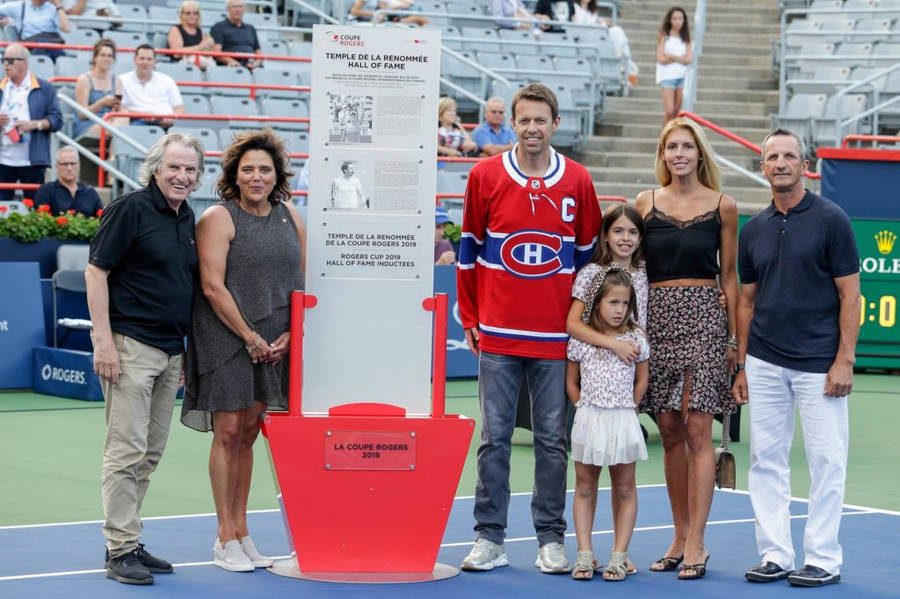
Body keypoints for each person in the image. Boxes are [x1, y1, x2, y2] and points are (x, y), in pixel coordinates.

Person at [457, 82, 601, 573]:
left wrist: (580, 327)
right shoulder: (484, 175)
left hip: (555, 339)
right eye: (524, 120)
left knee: (552, 441)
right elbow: (469, 253)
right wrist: (471, 316)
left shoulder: (578, 179)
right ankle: (489, 538)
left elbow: (589, 264)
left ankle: (550, 539)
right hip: (499, 334)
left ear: (555, 124)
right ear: (511, 124)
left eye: (541, 120)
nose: (532, 128)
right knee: (494, 438)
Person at [734, 129, 860, 588]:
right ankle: (775, 554)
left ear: (805, 165)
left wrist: (844, 359)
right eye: (773, 157)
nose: (781, 163)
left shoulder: (832, 220)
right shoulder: (753, 230)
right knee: (765, 459)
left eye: (790, 156)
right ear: (762, 167)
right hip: (765, 360)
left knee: (827, 460)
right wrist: (742, 365)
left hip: (819, 364)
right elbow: (746, 303)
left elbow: (850, 295)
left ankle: (823, 559)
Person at [181, 128, 305, 572]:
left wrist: (291, 334)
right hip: (227, 339)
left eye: (265, 170)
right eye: (248, 169)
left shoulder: (291, 215)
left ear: (277, 176)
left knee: (250, 433)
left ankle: (243, 532)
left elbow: (302, 283)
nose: (257, 177)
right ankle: (223, 537)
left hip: (273, 343)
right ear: (234, 174)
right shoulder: (218, 217)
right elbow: (212, 287)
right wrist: (250, 338)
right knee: (229, 432)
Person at [85, 132, 203, 585]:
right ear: (156, 168)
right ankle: (119, 549)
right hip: (130, 347)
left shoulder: (187, 216)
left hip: (171, 352)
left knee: (149, 453)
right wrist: (103, 341)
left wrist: (185, 350)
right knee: (126, 451)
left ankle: (129, 540)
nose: (181, 176)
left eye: (190, 169)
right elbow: (96, 272)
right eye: (174, 167)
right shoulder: (129, 209)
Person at [634, 117, 738, 580]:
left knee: (698, 430)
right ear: (662, 154)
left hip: (705, 322)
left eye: (686, 147)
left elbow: (729, 277)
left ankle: (698, 539)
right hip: (656, 321)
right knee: (670, 432)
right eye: (671, 147)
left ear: (700, 154)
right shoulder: (645, 202)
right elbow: (633, 268)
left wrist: (735, 341)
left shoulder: (723, 205)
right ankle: (678, 536)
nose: (679, 154)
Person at [566, 265, 648, 581]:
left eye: (625, 303)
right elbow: (571, 382)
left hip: (623, 420)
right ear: (597, 302)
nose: (619, 310)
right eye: (613, 302)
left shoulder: (637, 337)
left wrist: (631, 408)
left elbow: (642, 379)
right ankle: (585, 555)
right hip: (589, 419)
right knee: (585, 486)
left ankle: (619, 556)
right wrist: (582, 407)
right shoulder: (581, 341)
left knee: (625, 488)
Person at [0, 43, 62, 202]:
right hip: (3, 160)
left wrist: (35, 124)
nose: (6, 64)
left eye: (11, 60)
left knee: (36, 208)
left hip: (33, 160)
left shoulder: (45, 88)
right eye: (4, 60)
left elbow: (57, 120)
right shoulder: (1, 87)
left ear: (24, 63)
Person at [116, 44, 184, 129]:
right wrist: (144, 115)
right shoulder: (122, 80)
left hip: (166, 124)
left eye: (149, 59)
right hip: (137, 122)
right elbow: (119, 108)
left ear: (154, 61)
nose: (145, 62)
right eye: (142, 58)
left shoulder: (167, 80)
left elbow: (179, 108)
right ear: (135, 59)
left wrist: (170, 119)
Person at [34, 146, 103, 216]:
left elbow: (102, 219)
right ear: (57, 166)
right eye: (65, 164)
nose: (69, 168)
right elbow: (40, 219)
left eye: (73, 164)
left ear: (79, 165)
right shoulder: (46, 191)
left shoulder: (90, 193)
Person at [73, 38, 118, 140]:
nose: (106, 59)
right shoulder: (84, 79)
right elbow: (82, 114)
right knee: (117, 132)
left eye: (110, 56)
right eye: (103, 55)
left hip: (109, 122)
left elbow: (118, 108)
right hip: (88, 123)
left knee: (123, 122)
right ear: (95, 57)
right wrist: (102, 103)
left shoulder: (116, 80)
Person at [0, 0, 70, 61]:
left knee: (62, 58)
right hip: (32, 47)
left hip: (52, 46)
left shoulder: (53, 8)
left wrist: (58, 5)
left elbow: (66, 28)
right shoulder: (20, 6)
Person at [656, 6, 692, 124]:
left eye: (680, 18)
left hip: (681, 76)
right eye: (675, 19)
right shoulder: (664, 36)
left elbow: (688, 59)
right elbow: (661, 59)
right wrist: (680, 58)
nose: (677, 22)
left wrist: (671, 56)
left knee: (676, 111)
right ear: (670, 20)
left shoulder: (686, 37)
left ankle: (672, 133)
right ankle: (664, 134)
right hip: (667, 76)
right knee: (669, 110)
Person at [210, 0, 262, 69]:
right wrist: (231, 61)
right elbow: (216, 53)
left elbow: (258, 52)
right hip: (231, 67)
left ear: (244, 9)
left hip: (252, 65)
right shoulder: (218, 27)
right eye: (234, 7)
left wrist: (256, 63)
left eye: (240, 7)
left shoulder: (251, 28)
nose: (238, 10)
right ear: (228, 9)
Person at [168, 0, 216, 71]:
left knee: (211, 63)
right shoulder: (175, 29)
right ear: (182, 15)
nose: (192, 16)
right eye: (188, 13)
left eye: (195, 13)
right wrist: (200, 47)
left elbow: (205, 51)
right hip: (182, 64)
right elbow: (176, 54)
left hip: (200, 62)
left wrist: (209, 47)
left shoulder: (200, 31)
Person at [348, 0, 429, 27]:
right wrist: (375, 14)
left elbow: (383, 11)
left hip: (377, 19)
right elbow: (354, 11)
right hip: (359, 21)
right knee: (417, 19)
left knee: (421, 20)